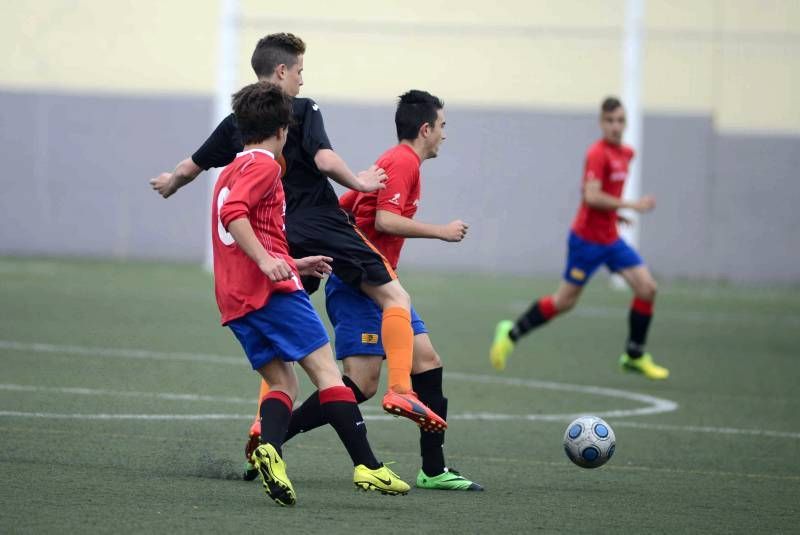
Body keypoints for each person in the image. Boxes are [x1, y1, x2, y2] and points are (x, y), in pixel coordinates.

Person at [149, 33, 447, 473]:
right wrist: (361, 184)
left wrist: (171, 183)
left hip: (278, 238)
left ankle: (264, 427)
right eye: (300, 71)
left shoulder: (238, 122)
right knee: (395, 297)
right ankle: (401, 388)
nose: (303, 81)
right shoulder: (301, 111)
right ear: (283, 71)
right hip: (319, 225)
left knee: (283, 337)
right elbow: (325, 160)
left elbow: (191, 166)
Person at [211, 81, 409, 506]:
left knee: (283, 383)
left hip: (235, 301)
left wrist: (295, 263)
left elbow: (246, 226)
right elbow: (234, 215)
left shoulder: (229, 169)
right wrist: (270, 266)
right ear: (283, 130)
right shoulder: (266, 166)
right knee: (329, 376)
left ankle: (270, 449)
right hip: (271, 293)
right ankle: (369, 467)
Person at [278, 90, 482, 491]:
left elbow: (349, 204)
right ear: (425, 129)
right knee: (361, 385)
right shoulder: (403, 162)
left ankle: (434, 469)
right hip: (358, 285)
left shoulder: (398, 162)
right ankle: (273, 436)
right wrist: (441, 232)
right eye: (442, 127)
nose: (445, 135)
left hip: (381, 282)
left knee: (429, 362)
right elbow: (386, 221)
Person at [489, 96, 669, 380]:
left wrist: (616, 215)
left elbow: (605, 195)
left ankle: (634, 355)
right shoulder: (597, 153)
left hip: (610, 239)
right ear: (601, 123)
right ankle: (510, 333)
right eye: (609, 121)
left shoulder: (627, 154)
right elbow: (592, 196)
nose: (615, 126)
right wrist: (632, 206)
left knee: (647, 287)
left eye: (620, 120)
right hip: (586, 241)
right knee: (564, 302)